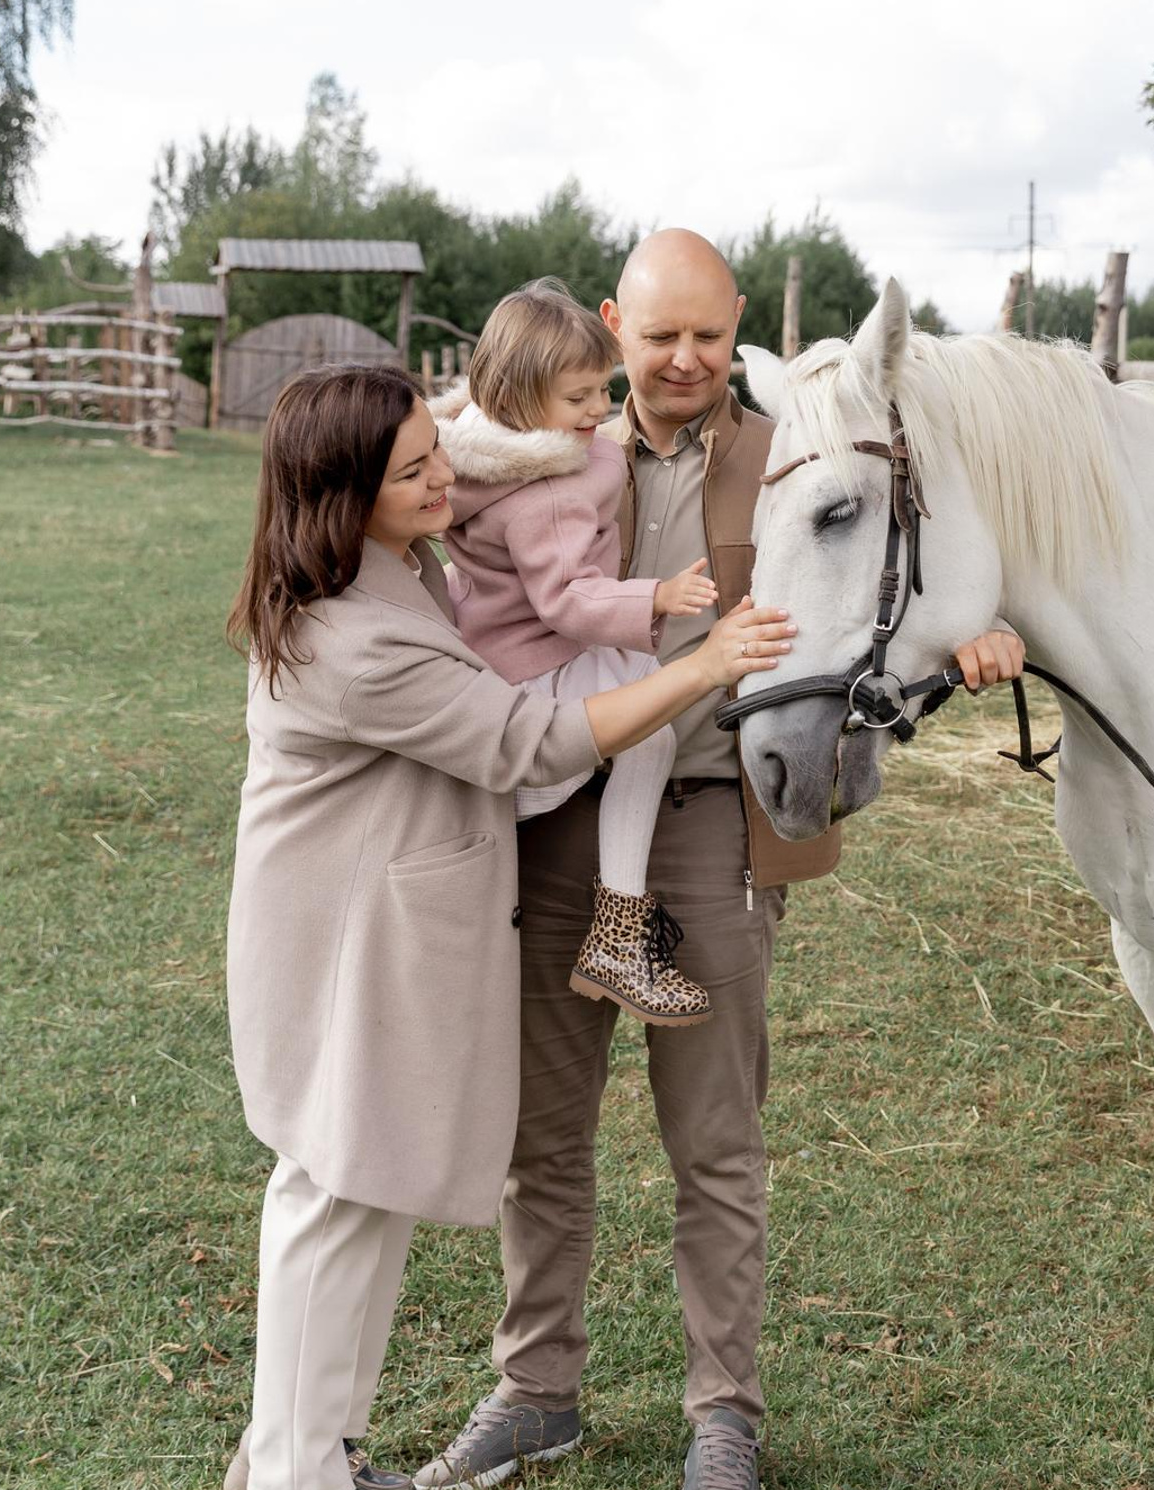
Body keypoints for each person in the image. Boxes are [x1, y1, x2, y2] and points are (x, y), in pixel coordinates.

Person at [416, 234, 1023, 1490]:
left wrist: (982, 628)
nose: (685, 359)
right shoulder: (550, 439)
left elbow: (892, 568)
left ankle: (724, 1416)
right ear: (611, 327)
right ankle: (536, 1389)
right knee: (543, 1133)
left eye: (706, 333)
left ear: (737, 323)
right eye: (657, 337)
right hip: (548, 812)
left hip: (706, 819)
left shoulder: (790, 448)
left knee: (715, 1140)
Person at [221, 362, 795, 1490]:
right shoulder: (356, 641)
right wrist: (705, 669)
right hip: (349, 951)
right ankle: (290, 1473)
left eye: (439, 449)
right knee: (329, 1201)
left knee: (361, 1201)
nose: (449, 476)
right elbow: (527, 741)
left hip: (377, 933)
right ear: (346, 494)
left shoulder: (390, 567)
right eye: (416, 469)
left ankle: (319, 1458)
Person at [432, 277, 720, 1024]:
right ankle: (619, 934)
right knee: (642, 736)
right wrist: (652, 598)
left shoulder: (467, 442)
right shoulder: (550, 490)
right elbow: (566, 597)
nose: (600, 410)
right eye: (580, 398)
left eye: (602, 389)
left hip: (495, 643)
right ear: (523, 400)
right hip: (543, 656)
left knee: (607, 744)